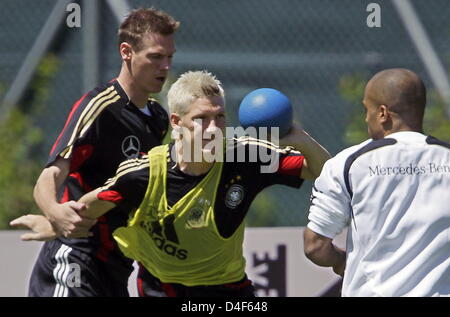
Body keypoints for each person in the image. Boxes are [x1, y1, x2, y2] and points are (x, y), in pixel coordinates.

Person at [13, 70, 331, 297]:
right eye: (201, 119)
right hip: (161, 287)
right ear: (177, 123)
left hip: (228, 288)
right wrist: (55, 222)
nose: (213, 128)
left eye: (219, 117)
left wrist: (299, 139)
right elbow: (92, 207)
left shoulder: (246, 156)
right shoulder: (142, 173)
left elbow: (322, 171)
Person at [12, 8, 179, 297]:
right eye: (155, 57)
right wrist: (54, 214)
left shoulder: (158, 118)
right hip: (76, 262)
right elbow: (50, 174)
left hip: (116, 269)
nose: (164, 67)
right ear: (126, 52)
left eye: (169, 57)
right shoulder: (100, 107)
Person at [303, 68, 450, 297]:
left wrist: (341, 260)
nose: (365, 118)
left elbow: (315, 246)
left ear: (383, 113)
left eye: (366, 109)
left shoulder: (348, 163)